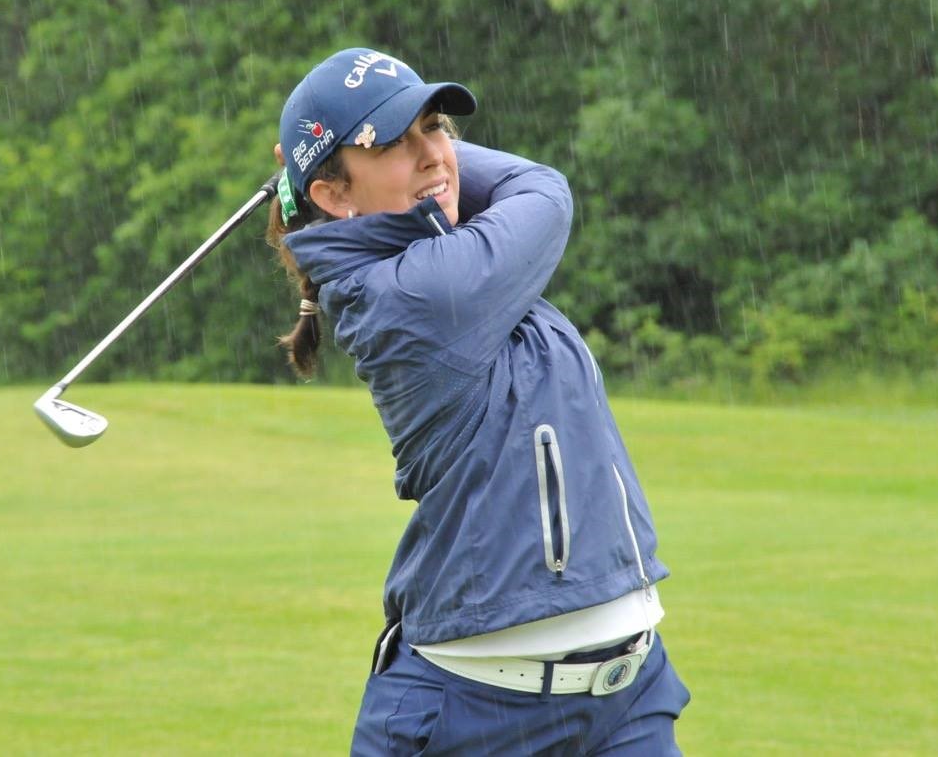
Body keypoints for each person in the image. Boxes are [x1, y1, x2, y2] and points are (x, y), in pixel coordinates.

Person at [266, 47, 690, 756]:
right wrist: (311, 178)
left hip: (629, 696)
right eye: (394, 141)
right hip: (478, 717)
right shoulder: (416, 294)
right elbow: (544, 188)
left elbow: (470, 180)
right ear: (337, 197)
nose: (432, 153)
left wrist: (336, 174)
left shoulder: (449, 251)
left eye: (436, 128)